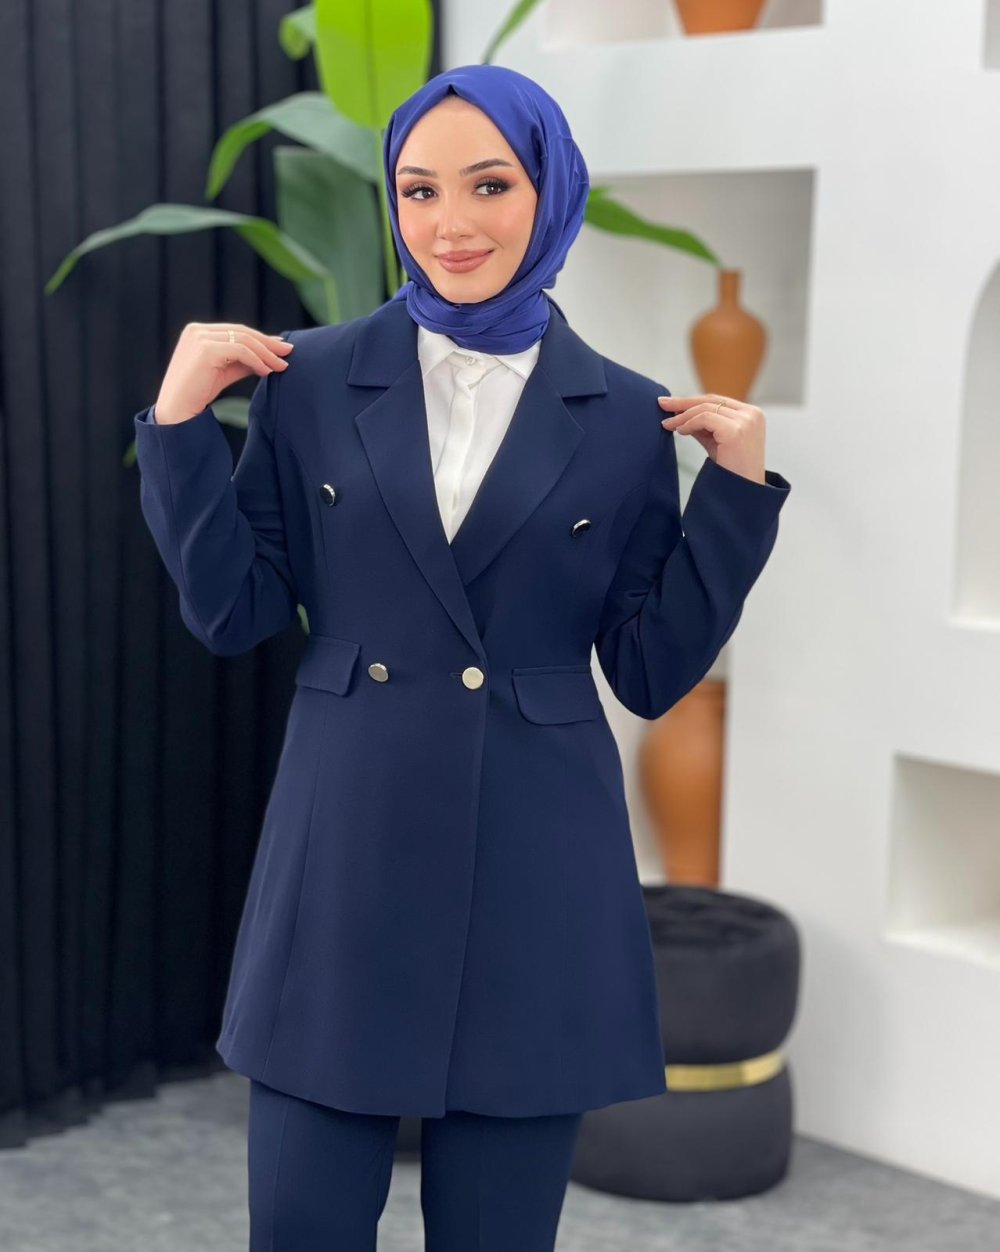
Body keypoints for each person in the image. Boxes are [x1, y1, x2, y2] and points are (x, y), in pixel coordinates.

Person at [133, 63, 791, 1252]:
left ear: (550, 189)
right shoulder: (308, 378)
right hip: (348, 841)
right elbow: (232, 613)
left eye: (489, 185)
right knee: (301, 1226)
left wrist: (733, 499)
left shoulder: (622, 415)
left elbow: (648, 670)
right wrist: (178, 427)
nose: (450, 223)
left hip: (536, 859)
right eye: (419, 189)